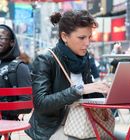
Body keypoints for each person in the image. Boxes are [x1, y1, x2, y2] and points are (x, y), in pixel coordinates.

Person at [25, 10, 110, 140]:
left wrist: (105, 91)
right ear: (64, 36)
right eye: (82, 38)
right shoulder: (45, 59)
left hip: (83, 121)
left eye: (89, 37)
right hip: (52, 127)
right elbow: (41, 104)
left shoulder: (84, 58)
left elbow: (89, 95)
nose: (87, 43)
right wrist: (80, 89)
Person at [0, 24, 32, 139]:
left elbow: (26, 105)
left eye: (2, 38)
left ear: (12, 42)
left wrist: (4, 109)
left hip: (5, 123)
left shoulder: (19, 67)